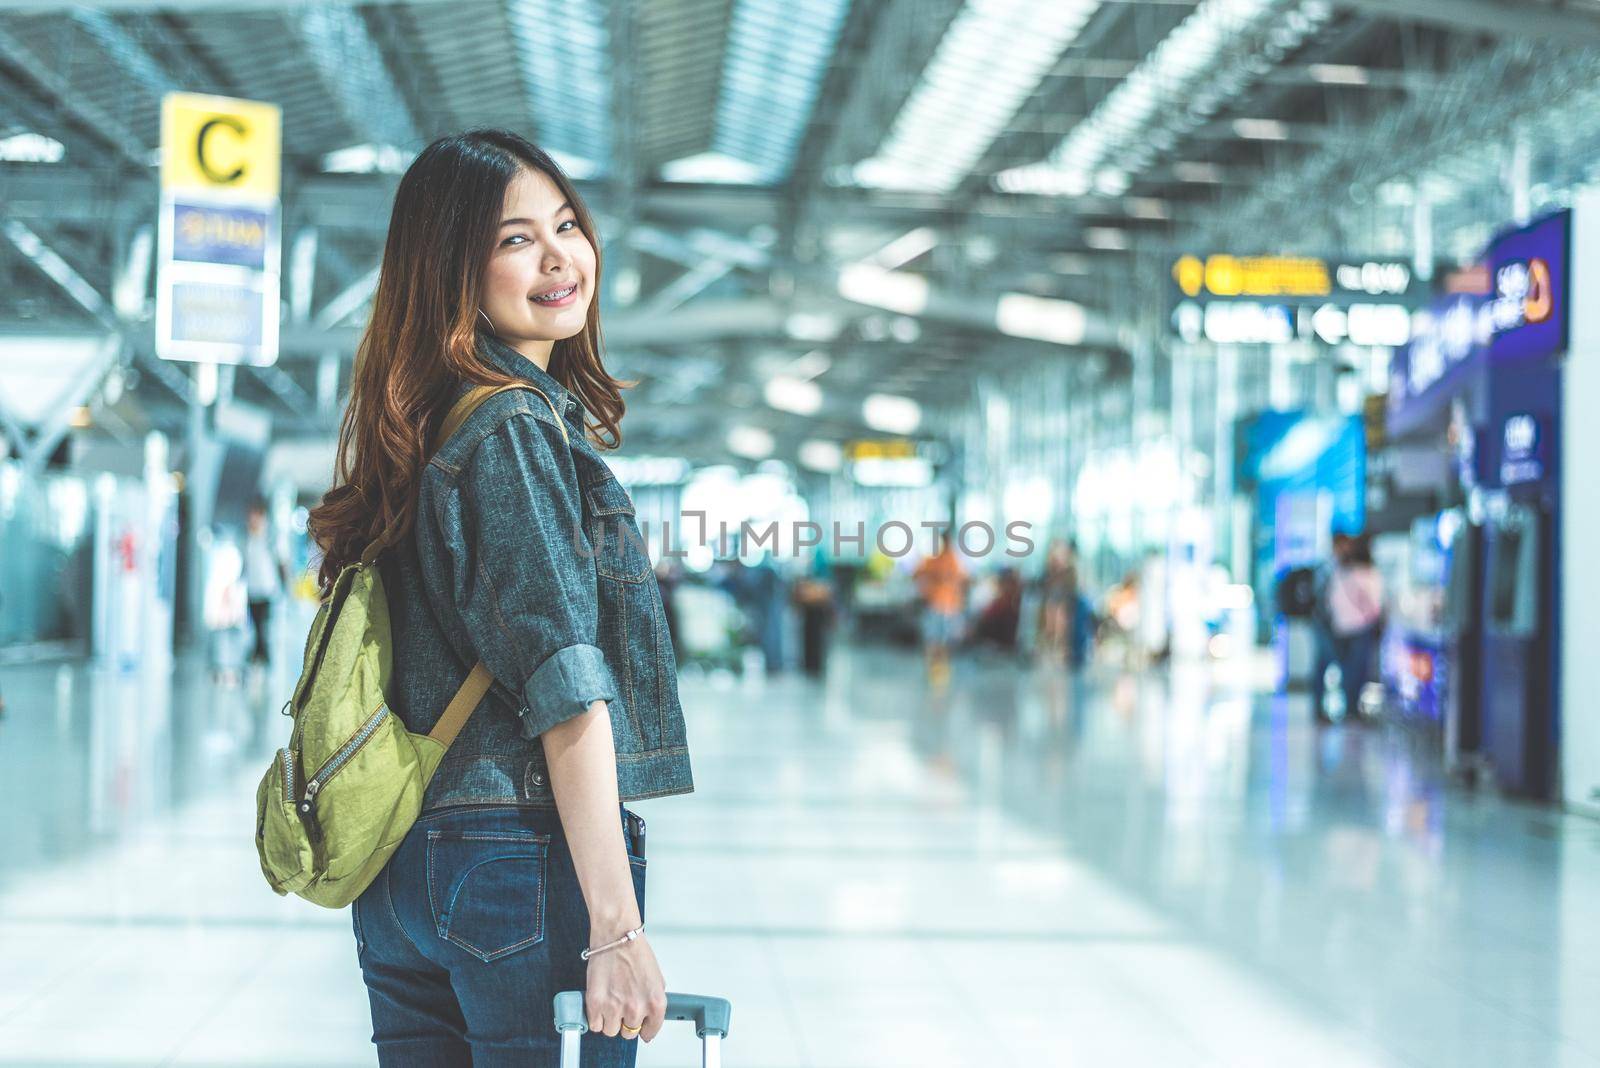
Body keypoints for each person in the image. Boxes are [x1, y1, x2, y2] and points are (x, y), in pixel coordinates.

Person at [306, 129, 693, 1064]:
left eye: (566, 224)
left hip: (405, 869)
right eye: (516, 239)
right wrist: (616, 927)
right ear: (452, 270)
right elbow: (564, 685)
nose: (560, 255)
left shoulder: (421, 426)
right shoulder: (511, 427)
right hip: (512, 856)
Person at [1327, 533, 1384, 722]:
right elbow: (1375, 603)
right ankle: (1352, 708)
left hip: (1341, 626)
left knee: (1348, 669)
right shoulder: (1368, 574)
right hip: (1361, 626)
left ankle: (1349, 707)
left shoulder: (1340, 572)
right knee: (1358, 670)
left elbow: (1331, 601)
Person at [912, 530, 967, 683]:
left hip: (946, 606)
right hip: (939, 605)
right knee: (936, 640)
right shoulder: (941, 560)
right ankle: (936, 670)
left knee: (940, 640)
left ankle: (939, 670)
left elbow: (916, 573)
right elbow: (917, 573)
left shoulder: (951, 560)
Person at [1309, 533, 1352, 723]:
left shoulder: (1340, 567)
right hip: (1324, 623)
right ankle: (1319, 708)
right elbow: (1322, 598)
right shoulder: (1328, 567)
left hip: (1334, 624)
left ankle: (1325, 707)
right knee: (1325, 662)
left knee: (1329, 663)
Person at [243, 499, 287, 666]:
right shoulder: (248, 538)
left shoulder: (270, 537)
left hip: (267, 588)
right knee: (254, 622)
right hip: (252, 588)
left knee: (263, 623)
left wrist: (283, 586)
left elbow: (280, 561)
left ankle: (261, 653)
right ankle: (259, 652)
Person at [1034, 538, 1077, 666]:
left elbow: (1071, 591)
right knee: (1051, 612)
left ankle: (1059, 647)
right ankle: (1049, 645)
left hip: (1063, 605)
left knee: (1059, 614)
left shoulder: (1069, 572)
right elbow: (1042, 587)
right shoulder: (1048, 572)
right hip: (1051, 604)